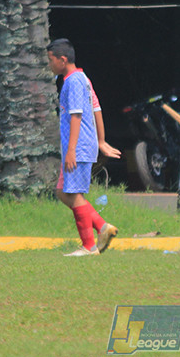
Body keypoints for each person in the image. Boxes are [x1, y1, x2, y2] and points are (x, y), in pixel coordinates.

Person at [46, 38, 120, 257]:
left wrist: (71, 150)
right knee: (62, 191)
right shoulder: (83, 79)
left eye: (50, 60)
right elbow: (96, 108)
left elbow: (76, 115)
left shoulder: (74, 81)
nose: (49, 65)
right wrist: (101, 141)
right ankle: (102, 226)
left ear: (63, 59)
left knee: (73, 194)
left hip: (77, 147)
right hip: (82, 145)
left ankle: (88, 246)